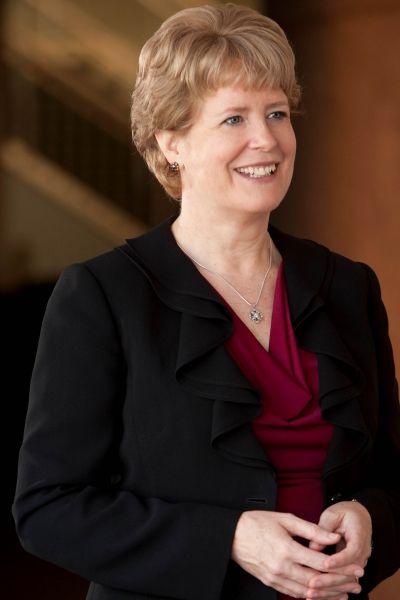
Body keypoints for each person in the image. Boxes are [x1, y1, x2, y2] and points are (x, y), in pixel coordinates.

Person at [13, 4, 400, 600]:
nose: (266, 139)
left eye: (277, 113)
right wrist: (229, 538)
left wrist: (371, 518)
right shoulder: (101, 295)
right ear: (172, 143)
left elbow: (392, 479)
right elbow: (48, 508)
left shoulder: (348, 286)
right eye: (233, 118)